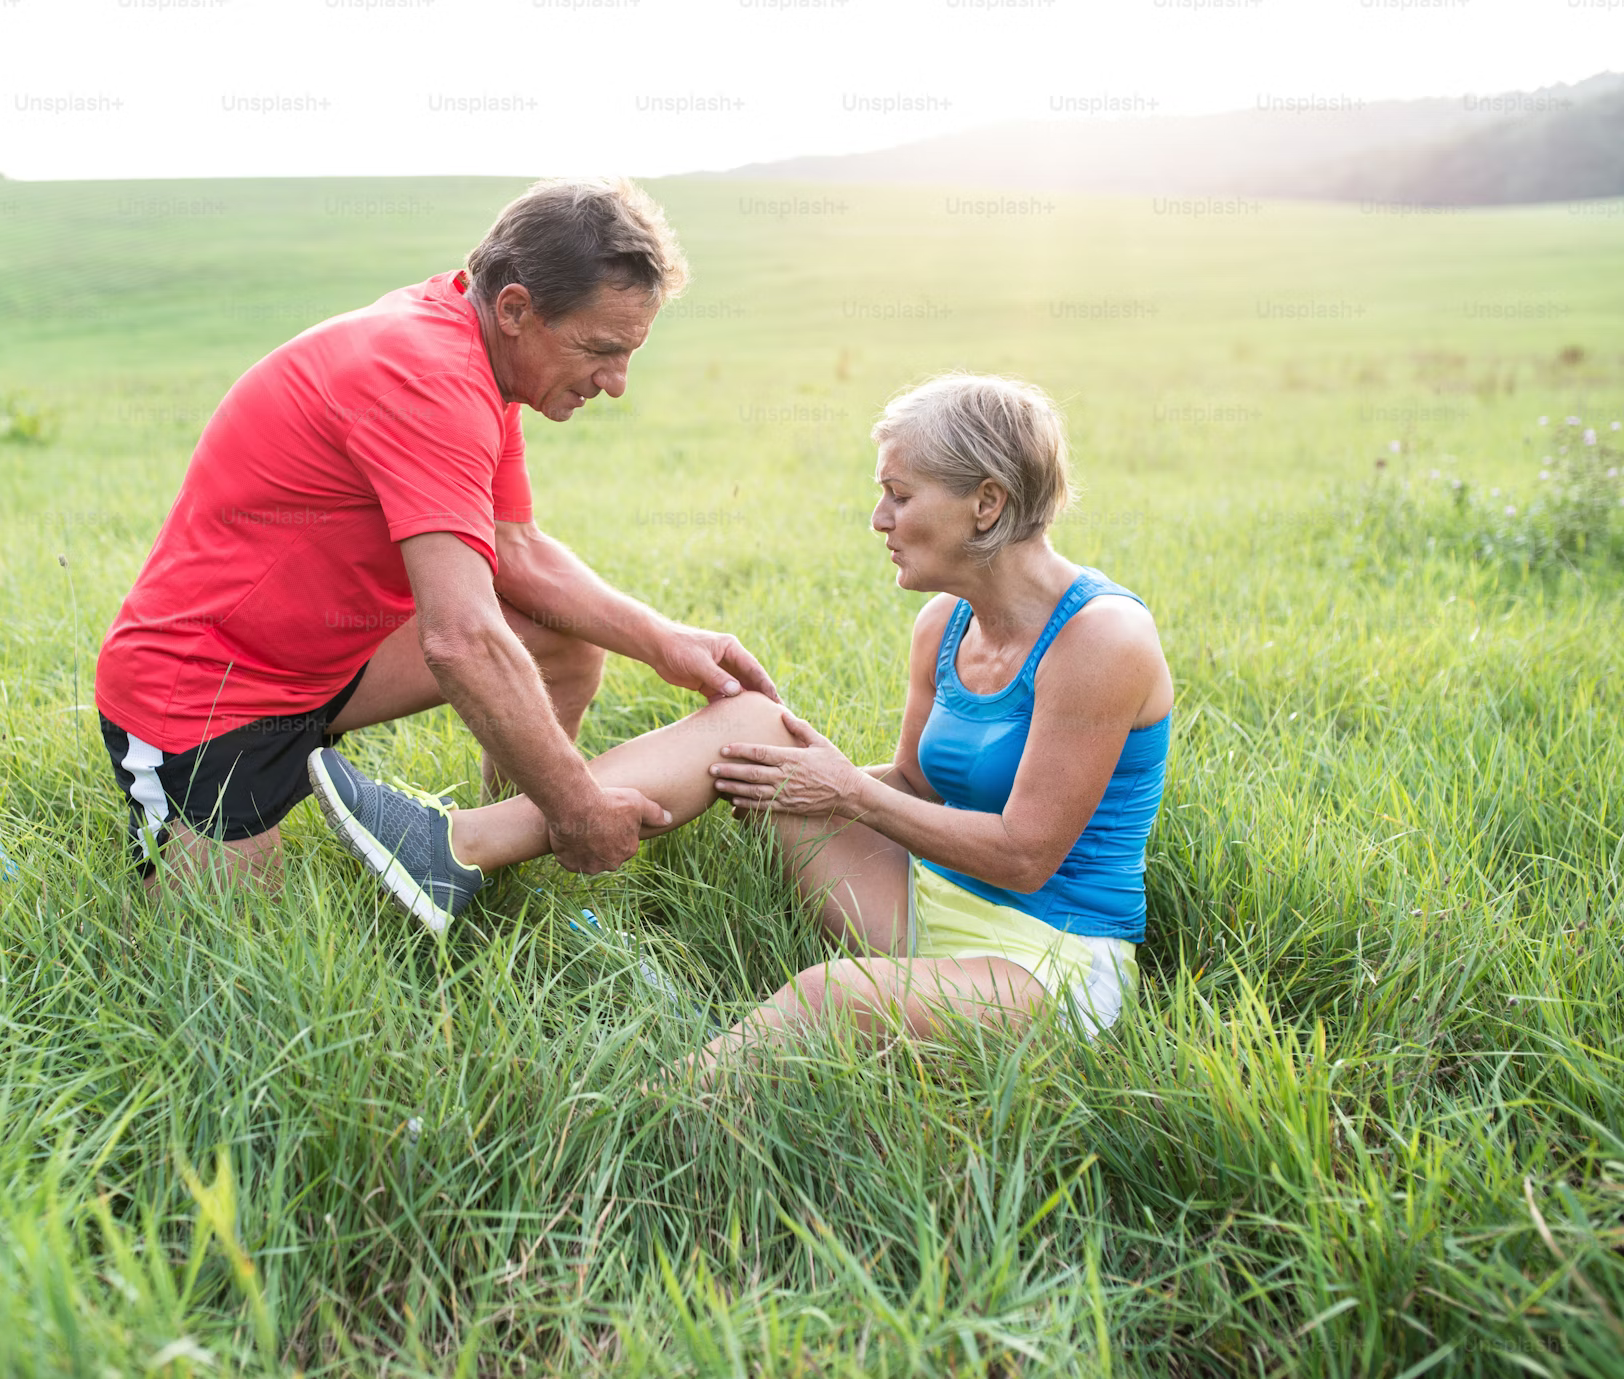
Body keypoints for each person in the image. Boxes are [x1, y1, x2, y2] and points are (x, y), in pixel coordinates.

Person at [311, 373, 1173, 1057]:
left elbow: (1025, 855)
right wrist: (767, 777)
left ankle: (648, 1123)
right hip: (928, 903)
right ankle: (454, 846)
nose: (879, 520)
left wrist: (848, 794)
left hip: (1052, 962)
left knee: (830, 993)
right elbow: (914, 781)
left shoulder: (1101, 641)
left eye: (900, 497)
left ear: (985, 503)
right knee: (749, 721)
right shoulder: (945, 624)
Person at [92, 178, 778, 901]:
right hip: (204, 694)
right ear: (515, 308)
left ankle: (473, 859)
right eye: (600, 349)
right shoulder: (430, 377)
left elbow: (517, 551)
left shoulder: (478, 347)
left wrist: (667, 640)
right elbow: (460, 638)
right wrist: (577, 809)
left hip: (326, 667)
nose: (616, 383)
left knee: (563, 638)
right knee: (225, 963)